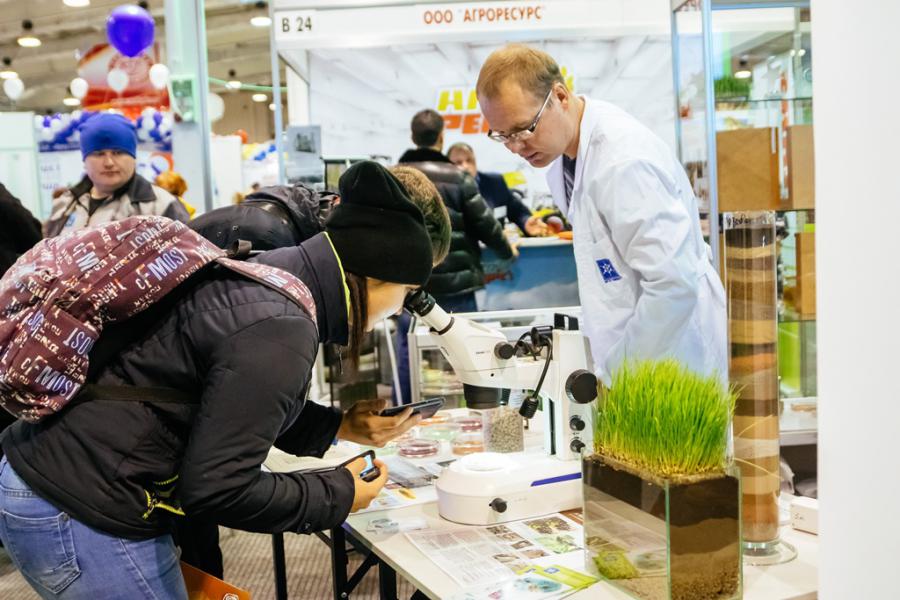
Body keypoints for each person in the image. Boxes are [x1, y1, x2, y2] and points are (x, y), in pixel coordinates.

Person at [0, 161, 450, 598]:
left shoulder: (270, 275)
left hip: (58, 478)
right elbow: (220, 489)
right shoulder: (283, 325)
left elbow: (230, 398)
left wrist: (336, 426)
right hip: (78, 507)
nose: (400, 308)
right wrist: (340, 492)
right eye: (406, 293)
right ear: (374, 277)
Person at [476, 44, 727, 384]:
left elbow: (673, 283)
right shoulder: (568, 157)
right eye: (502, 135)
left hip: (672, 360)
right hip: (633, 357)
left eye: (523, 129)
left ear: (560, 97)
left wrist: (618, 375)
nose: (515, 147)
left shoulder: (623, 162)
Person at [399, 108, 515, 314]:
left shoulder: (394, 176)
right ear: (442, 137)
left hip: (410, 286)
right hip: (457, 286)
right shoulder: (459, 178)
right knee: (459, 334)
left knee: (413, 334)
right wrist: (507, 252)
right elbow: (485, 225)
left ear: (413, 137)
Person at [44, 113, 189, 237]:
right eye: (99, 154)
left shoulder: (161, 206)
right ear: (84, 160)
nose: (109, 162)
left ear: (134, 157)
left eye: (118, 153)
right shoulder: (65, 205)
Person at [447, 141, 549, 237]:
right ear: (448, 166)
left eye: (469, 160)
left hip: (497, 248)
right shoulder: (443, 190)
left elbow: (517, 211)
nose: (465, 166)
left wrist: (526, 222)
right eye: (458, 163)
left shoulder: (494, 183)